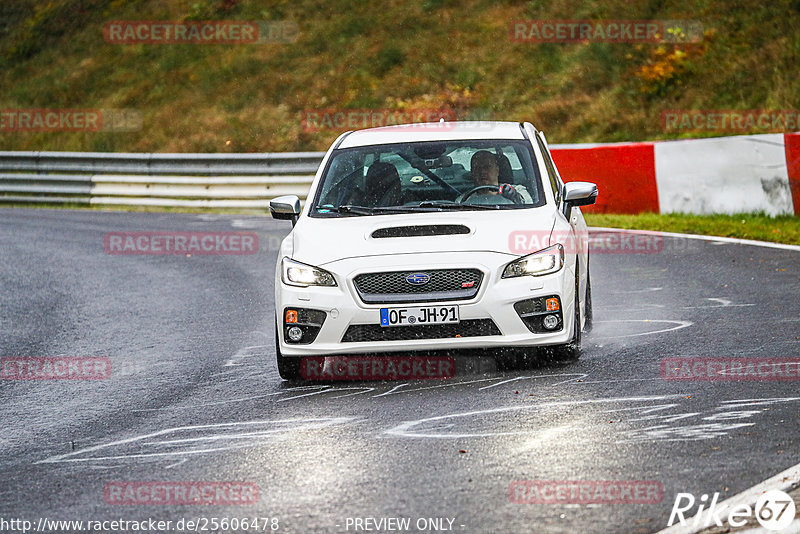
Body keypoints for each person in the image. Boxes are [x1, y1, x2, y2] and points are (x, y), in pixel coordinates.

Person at [458, 150, 532, 204]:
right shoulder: (464, 200)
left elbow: (530, 207)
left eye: (487, 167)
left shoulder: (518, 191)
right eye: (477, 168)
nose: (482, 172)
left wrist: (515, 197)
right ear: (472, 173)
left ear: (497, 170)